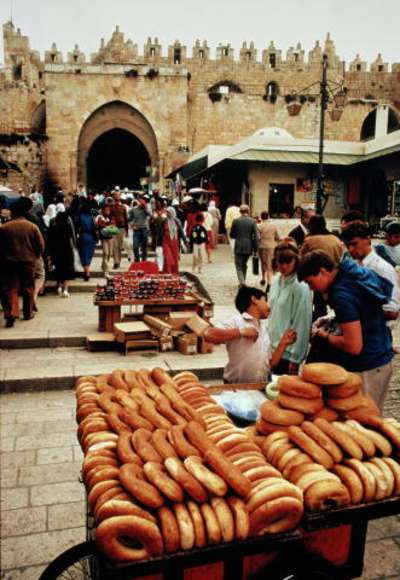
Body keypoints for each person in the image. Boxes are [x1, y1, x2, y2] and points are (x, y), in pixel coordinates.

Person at [298, 251, 394, 409]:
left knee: (363, 424)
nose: (311, 288)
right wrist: (334, 320)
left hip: (368, 366)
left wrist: (324, 335)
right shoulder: (350, 274)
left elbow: (353, 346)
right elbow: (362, 311)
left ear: (323, 271)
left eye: (310, 282)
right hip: (380, 356)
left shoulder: (341, 295)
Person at [204, 286, 297, 383]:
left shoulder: (264, 329)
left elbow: (270, 365)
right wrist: (241, 332)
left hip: (259, 387)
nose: (269, 306)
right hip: (235, 387)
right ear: (254, 299)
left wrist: (283, 343)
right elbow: (208, 334)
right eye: (265, 300)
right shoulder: (236, 321)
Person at [341, 221, 400, 326]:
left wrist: (356, 310)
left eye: (354, 244)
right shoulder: (353, 266)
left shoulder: (382, 269)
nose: (350, 249)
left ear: (368, 240)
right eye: (347, 245)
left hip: (377, 333)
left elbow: (393, 312)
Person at [268, 242, 313, 374]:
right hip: (272, 348)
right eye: (280, 262)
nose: (284, 266)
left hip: (288, 352)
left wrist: (296, 358)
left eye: (288, 262)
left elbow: (302, 322)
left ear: (296, 261)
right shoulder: (276, 280)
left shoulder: (300, 286)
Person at [0, 198, 45, 327]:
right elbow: (40, 245)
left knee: (11, 288)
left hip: (9, 262)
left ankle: (12, 313)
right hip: (28, 261)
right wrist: (35, 256)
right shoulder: (32, 227)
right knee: (28, 288)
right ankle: (27, 312)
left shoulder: (5, 228)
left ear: (12, 213)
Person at [48, 210, 76, 297]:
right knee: (67, 270)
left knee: (58, 269)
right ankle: (65, 289)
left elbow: (50, 240)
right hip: (66, 250)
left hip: (56, 250)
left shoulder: (53, 227)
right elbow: (71, 238)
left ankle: (59, 286)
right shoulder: (67, 226)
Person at [230, 205, 259, 286]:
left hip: (238, 245)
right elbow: (256, 236)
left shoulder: (235, 221)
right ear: (248, 211)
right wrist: (255, 249)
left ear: (240, 211)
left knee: (238, 265)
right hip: (248, 246)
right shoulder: (252, 221)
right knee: (244, 264)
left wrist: (237, 235)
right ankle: (243, 281)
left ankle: (242, 282)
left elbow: (231, 234)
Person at [155, 206, 186, 274]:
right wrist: (158, 243)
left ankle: (173, 272)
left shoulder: (177, 221)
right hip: (166, 242)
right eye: (167, 212)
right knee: (168, 257)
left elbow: (181, 232)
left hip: (175, 243)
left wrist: (185, 241)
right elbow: (160, 232)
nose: (167, 214)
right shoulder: (164, 221)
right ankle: (169, 272)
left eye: (169, 212)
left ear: (172, 213)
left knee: (174, 258)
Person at [257, 211, 280, 290]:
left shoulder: (259, 226)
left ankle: (263, 278)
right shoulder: (273, 226)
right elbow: (277, 237)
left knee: (263, 263)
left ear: (261, 217)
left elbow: (257, 237)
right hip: (271, 246)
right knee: (269, 263)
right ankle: (269, 282)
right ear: (269, 216)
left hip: (262, 246)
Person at [76, 199, 97, 281]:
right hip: (91, 237)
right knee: (89, 254)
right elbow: (94, 228)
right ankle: (87, 271)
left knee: (84, 254)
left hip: (83, 236)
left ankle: (87, 272)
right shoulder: (91, 218)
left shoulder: (80, 217)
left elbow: (77, 228)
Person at [95, 205, 117, 276]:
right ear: (103, 211)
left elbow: (114, 225)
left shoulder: (110, 217)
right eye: (106, 210)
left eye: (108, 210)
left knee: (110, 253)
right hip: (104, 238)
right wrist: (109, 225)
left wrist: (110, 225)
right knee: (106, 253)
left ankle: (103, 265)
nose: (108, 211)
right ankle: (106, 271)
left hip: (110, 237)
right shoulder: (100, 217)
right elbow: (101, 225)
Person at [129, 195, 151, 262]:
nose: (142, 202)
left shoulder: (146, 209)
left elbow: (150, 215)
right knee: (135, 246)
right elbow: (130, 219)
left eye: (143, 201)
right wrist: (132, 225)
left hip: (144, 229)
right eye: (140, 201)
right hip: (136, 230)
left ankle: (144, 260)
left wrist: (145, 208)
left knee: (144, 247)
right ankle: (137, 259)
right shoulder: (133, 209)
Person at [110, 191, 129, 269]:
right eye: (115, 195)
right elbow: (108, 216)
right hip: (114, 227)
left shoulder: (123, 207)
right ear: (113, 197)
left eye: (118, 195)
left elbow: (126, 219)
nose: (117, 196)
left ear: (120, 196)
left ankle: (119, 261)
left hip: (121, 228)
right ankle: (116, 261)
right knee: (114, 245)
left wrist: (127, 230)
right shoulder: (111, 207)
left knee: (120, 246)